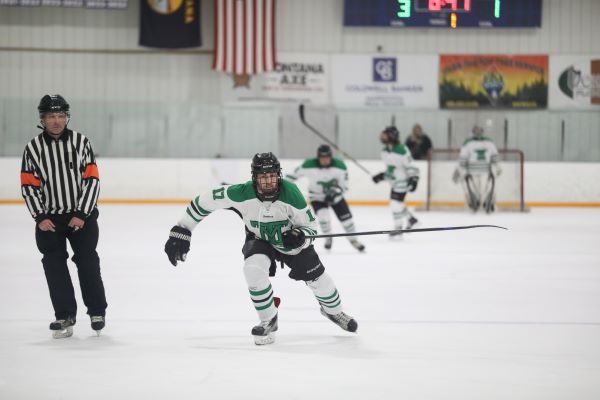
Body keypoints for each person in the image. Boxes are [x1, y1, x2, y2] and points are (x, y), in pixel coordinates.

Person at [164, 152, 358, 345]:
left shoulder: (291, 193)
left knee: (321, 281)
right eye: (263, 177)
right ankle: (269, 318)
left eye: (272, 176)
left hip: (291, 244)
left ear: (278, 175)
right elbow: (203, 201)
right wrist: (183, 228)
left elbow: (311, 228)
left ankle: (333, 312)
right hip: (260, 239)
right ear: (254, 177)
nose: (268, 182)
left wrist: (301, 237)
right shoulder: (240, 192)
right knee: (252, 269)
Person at [21, 94, 107, 339]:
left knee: (87, 261)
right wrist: (40, 216)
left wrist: (82, 213)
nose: (56, 121)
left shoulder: (81, 142)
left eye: (60, 116)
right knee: (53, 264)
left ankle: (97, 311)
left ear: (67, 117)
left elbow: (92, 179)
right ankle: (64, 315)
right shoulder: (33, 148)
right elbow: (29, 185)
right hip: (50, 219)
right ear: (43, 119)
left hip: (83, 217)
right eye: (51, 116)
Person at [286, 144, 365, 252]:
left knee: (347, 220)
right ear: (318, 157)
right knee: (324, 219)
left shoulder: (340, 166)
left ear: (331, 156)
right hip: (317, 197)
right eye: (322, 158)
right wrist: (282, 185)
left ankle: (354, 240)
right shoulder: (308, 164)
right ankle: (328, 237)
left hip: (336, 197)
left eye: (327, 157)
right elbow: (291, 176)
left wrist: (335, 192)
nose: (325, 160)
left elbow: (344, 186)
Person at [372, 126, 419, 236]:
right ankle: (411, 219)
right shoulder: (384, 151)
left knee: (394, 204)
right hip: (394, 183)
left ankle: (398, 227)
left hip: (403, 182)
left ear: (392, 136)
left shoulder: (402, 149)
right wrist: (381, 176)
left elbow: (410, 165)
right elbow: (391, 169)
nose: (382, 136)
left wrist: (414, 178)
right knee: (397, 203)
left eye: (385, 134)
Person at [452, 125, 502, 213]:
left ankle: (483, 203)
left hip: (479, 172)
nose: (478, 133)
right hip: (477, 172)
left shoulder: (468, 142)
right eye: (476, 131)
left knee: (484, 189)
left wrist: (459, 170)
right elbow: (495, 157)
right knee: (485, 189)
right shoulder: (488, 142)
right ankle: (482, 203)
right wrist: (497, 167)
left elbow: (463, 160)